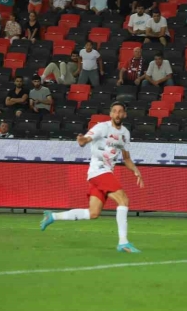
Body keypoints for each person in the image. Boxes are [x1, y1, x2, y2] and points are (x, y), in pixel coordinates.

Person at [40, 101, 144, 253]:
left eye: (120, 111)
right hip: (99, 171)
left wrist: (136, 171)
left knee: (93, 213)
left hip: (104, 173)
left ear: (124, 114)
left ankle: (53, 217)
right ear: (110, 114)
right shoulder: (102, 127)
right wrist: (82, 141)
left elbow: (126, 158)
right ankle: (123, 242)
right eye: (114, 111)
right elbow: (87, 139)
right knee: (123, 200)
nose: (117, 114)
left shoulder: (125, 134)